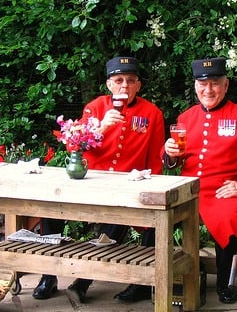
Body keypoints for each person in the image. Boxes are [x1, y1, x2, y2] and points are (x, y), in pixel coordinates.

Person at [32, 56, 165, 303]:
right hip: (90, 181)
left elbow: (155, 157)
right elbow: (74, 144)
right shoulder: (95, 107)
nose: (124, 85)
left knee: (115, 225)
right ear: (109, 84)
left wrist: (152, 187)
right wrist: (101, 127)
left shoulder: (152, 113)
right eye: (119, 80)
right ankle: (48, 276)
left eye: (130, 80)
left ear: (138, 85)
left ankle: (82, 282)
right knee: (50, 211)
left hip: (125, 185)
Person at [162, 57, 237, 304]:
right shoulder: (185, 118)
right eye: (203, 84)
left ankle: (226, 281)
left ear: (226, 86)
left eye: (215, 83)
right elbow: (173, 162)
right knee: (158, 214)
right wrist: (169, 154)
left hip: (223, 192)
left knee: (229, 216)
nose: (208, 90)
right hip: (189, 191)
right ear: (195, 87)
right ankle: (164, 278)